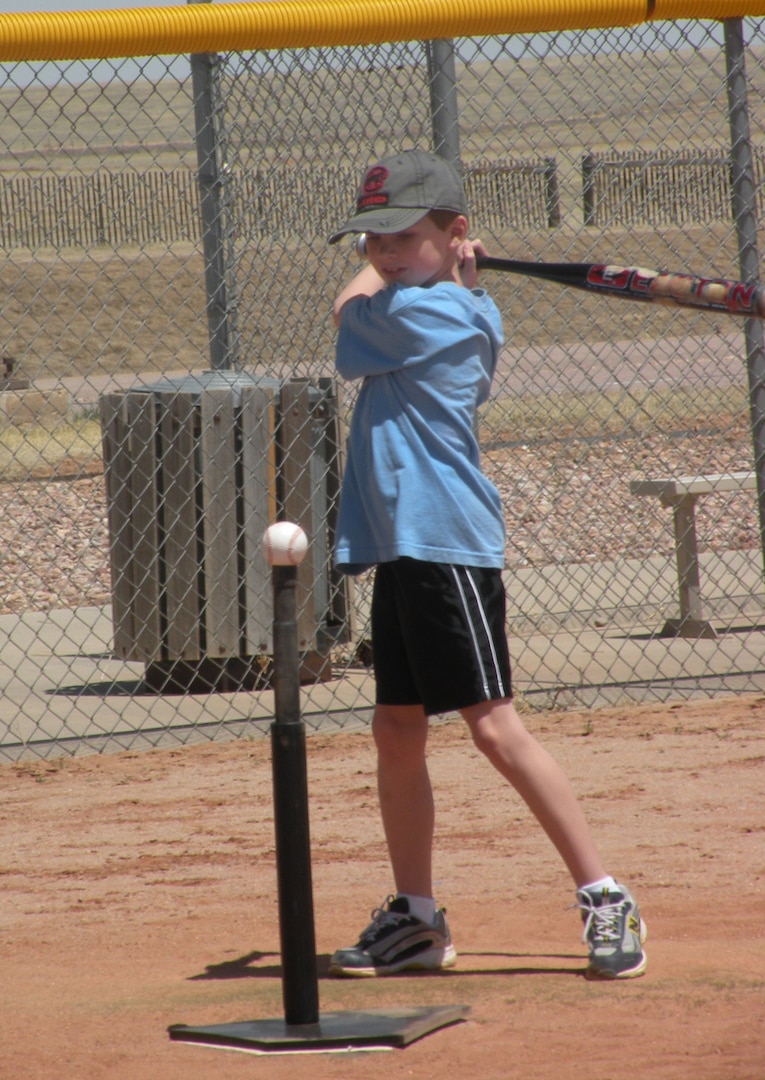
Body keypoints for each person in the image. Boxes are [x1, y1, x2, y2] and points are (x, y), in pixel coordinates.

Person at [326, 148, 646, 981]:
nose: (385, 257)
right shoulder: (445, 300)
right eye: (372, 242)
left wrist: (405, 282)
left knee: (494, 728)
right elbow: (373, 298)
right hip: (405, 546)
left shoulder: (438, 316)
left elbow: (346, 314)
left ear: (454, 233)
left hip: (445, 546)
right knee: (396, 728)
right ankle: (416, 918)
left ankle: (603, 894)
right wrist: (444, 272)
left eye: (404, 237)